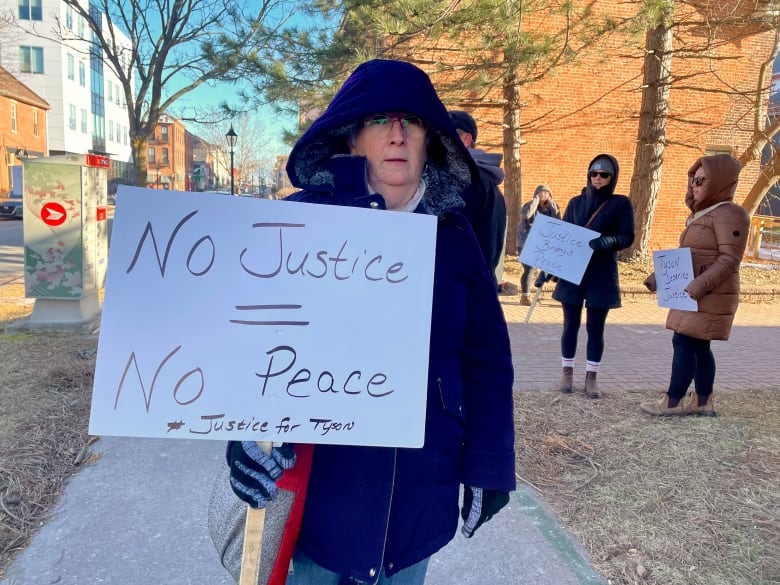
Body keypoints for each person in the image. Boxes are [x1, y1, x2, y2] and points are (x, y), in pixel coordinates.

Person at [226, 59, 516, 585]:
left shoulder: (453, 238)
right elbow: (250, 337)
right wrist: (244, 435)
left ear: (432, 138)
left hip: (421, 481)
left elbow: (487, 358)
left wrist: (489, 463)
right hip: (321, 486)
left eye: (413, 121)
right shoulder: (301, 223)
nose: (399, 134)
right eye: (381, 120)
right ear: (354, 136)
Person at [640, 154, 749, 417]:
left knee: (685, 342)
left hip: (707, 293)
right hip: (693, 292)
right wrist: (659, 277)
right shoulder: (704, 214)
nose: (694, 186)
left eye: (701, 180)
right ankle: (702, 401)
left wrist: (698, 286)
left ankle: (673, 400)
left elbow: (729, 259)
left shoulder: (729, 214)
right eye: (693, 180)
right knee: (698, 345)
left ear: (718, 182)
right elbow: (688, 255)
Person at [552, 154, 635, 398]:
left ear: (612, 177)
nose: (598, 179)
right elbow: (562, 235)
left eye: (604, 174)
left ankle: (591, 377)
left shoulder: (620, 204)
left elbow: (627, 236)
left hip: (600, 271)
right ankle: (567, 372)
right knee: (570, 325)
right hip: (573, 270)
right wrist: (551, 269)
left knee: (595, 328)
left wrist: (608, 241)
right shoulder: (576, 203)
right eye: (594, 174)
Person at [448, 110, 508, 292]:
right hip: (474, 288)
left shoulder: (468, 181)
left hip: (461, 290)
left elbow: (452, 244)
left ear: (465, 140)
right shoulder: (484, 181)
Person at [516, 184, 561, 305]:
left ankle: (558, 292)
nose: (544, 195)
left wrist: (552, 207)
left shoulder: (553, 207)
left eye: (546, 193)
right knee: (529, 268)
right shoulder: (529, 205)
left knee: (553, 266)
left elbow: (558, 222)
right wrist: (535, 202)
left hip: (544, 243)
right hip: (526, 242)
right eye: (541, 192)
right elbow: (526, 215)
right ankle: (525, 296)